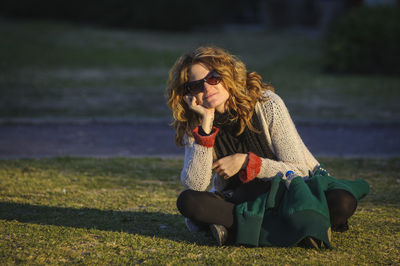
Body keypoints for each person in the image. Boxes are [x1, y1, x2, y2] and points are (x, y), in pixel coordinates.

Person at [166, 46, 369, 248]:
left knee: (343, 201)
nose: (207, 88)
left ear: (227, 76)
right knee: (188, 201)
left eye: (213, 78)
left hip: (290, 192)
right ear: (189, 94)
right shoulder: (198, 122)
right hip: (243, 199)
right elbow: (196, 185)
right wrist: (206, 126)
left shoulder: (267, 103)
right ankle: (299, 229)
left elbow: (298, 168)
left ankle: (237, 229)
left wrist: (247, 162)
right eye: (196, 86)